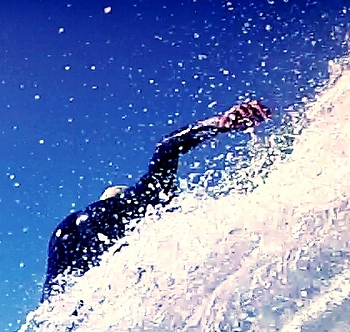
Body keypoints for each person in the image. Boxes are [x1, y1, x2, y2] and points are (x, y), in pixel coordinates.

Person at [41, 99, 270, 302]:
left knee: (55, 302)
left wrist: (215, 124)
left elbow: (167, 148)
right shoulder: (149, 200)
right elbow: (166, 148)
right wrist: (220, 123)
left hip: (62, 234)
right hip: (100, 228)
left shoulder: (94, 215)